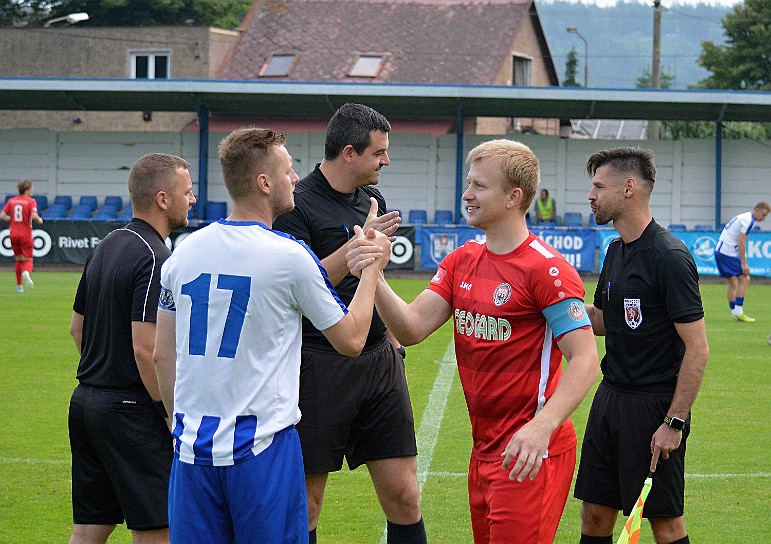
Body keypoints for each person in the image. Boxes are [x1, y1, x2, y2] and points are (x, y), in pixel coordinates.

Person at [348, 139, 599, 544]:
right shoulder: (462, 259)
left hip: (529, 451)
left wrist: (542, 427)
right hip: (483, 450)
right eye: (469, 183)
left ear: (513, 197)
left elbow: (585, 359)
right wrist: (373, 273)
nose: (467, 194)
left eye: (479, 186)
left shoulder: (547, 270)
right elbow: (412, 327)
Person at [153, 127, 391, 543]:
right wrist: (370, 264)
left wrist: (180, 422)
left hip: (191, 451)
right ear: (264, 183)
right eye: (288, 170)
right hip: (260, 448)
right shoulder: (289, 256)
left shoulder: (184, 251)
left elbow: (161, 355)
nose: (296, 178)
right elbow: (352, 339)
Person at [272, 103, 426, 544]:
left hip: (378, 362)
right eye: (379, 152)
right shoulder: (295, 205)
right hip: (318, 364)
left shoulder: (373, 202)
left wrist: (394, 343)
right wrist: (358, 248)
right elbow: (293, 291)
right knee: (307, 502)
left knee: (404, 495)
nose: (386, 161)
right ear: (349, 153)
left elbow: (377, 279)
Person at [575, 147, 710, 544]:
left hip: (654, 406)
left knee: (663, 521)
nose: (591, 195)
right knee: (595, 513)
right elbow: (602, 319)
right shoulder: (616, 250)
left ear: (629, 187)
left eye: (599, 186)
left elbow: (697, 348)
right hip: (610, 397)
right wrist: (550, 306)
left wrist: (674, 422)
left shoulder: (668, 256)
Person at [68, 153, 196, 544]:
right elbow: (146, 349)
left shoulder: (106, 244)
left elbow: (77, 330)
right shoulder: (157, 258)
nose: (192, 199)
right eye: (186, 191)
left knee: (90, 529)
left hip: (86, 403)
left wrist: (103, 378)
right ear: (162, 199)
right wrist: (166, 413)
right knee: (159, 528)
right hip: (131, 412)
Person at [713, 201, 770, 322]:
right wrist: (743, 263)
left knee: (733, 282)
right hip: (726, 252)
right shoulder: (748, 220)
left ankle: (734, 313)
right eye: (763, 215)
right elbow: (741, 242)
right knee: (745, 278)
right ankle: (738, 312)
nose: (763, 219)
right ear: (758, 209)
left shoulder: (743, 216)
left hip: (720, 250)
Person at [1, 179, 43, 292]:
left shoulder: (12, 201)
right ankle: (26, 272)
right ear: (27, 190)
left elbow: (2, 215)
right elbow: (34, 216)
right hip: (25, 234)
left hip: (13, 234)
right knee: (28, 259)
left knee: (18, 260)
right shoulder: (31, 201)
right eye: (32, 188)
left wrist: (12, 220)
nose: (33, 190)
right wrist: (39, 220)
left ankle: (19, 287)